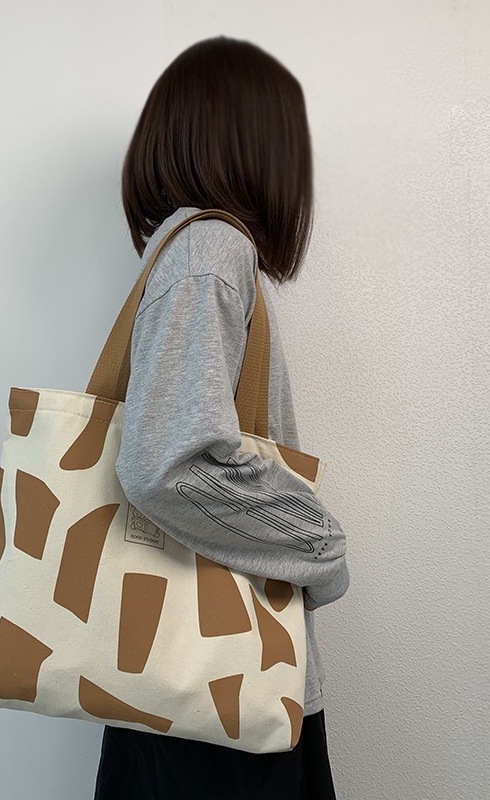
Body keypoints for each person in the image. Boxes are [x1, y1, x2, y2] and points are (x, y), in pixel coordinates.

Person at [93, 35, 350, 800]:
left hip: (186, 686)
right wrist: (318, 542)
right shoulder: (210, 249)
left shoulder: (191, 250)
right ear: (255, 143)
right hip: (217, 700)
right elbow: (168, 462)